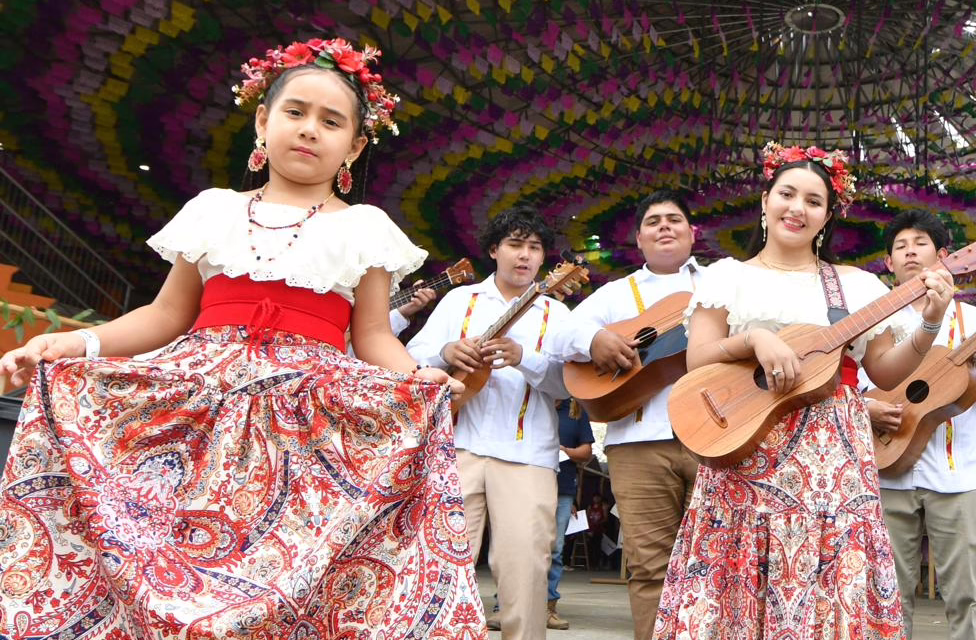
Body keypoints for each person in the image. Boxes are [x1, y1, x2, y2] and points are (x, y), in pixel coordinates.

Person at [0, 38, 485, 637]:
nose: (310, 130)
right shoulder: (213, 210)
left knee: (285, 582)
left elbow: (375, 336)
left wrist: (418, 380)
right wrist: (71, 345)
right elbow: (164, 315)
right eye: (295, 112)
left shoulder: (367, 228)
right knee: (173, 569)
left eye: (331, 122)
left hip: (307, 422)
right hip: (194, 413)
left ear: (355, 146)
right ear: (263, 120)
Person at [654, 142, 957, 639]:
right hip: (746, 445)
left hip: (832, 455)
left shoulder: (854, 286)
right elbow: (697, 360)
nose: (798, 208)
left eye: (813, 201)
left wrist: (930, 321)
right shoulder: (727, 277)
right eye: (787, 194)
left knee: (834, 565)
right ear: (765, 202)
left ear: (827, 217)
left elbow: (884, 372)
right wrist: (753, 339)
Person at [406, 206, 570, 640]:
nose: (525, 255)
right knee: (440, 563)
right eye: (515, 244)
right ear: (494, 250)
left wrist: (526, 358)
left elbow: (569, 386)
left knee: (525, 568)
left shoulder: (557, 313)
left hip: (528, 454)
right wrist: (446, 353)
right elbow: (412, 357)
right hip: (457, 447)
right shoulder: (460, 301)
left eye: (534, 248)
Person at [863, 210, 976, 639]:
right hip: (887, 470)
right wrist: (867, 407)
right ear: (888, 262)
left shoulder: (972, 320)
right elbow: (853, 387)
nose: (909, 251)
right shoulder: (874, 319)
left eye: (920, 243)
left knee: (967, 598)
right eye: (900, 246)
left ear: (945, 257)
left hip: (961, 476)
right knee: (885, 596)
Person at [550, 188, 701, 640]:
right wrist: (593, 341)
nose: (664, 227)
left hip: (715, 436)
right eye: (653, 221)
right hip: (636, 443)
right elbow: (560, 332)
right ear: (639, 239)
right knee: (648, 563)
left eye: (674, 219)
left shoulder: (721, 284)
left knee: (720, 557)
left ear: (694, 233)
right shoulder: (617, 294)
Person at [547, 399, 594, 630]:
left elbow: (587, 451)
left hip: (563, 489)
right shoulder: (530, 399)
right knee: (519, 546)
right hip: (525, 484)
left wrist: (566, 451)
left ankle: (548, 607)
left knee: (555, 549)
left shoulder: (575, 409)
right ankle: (505, 606)